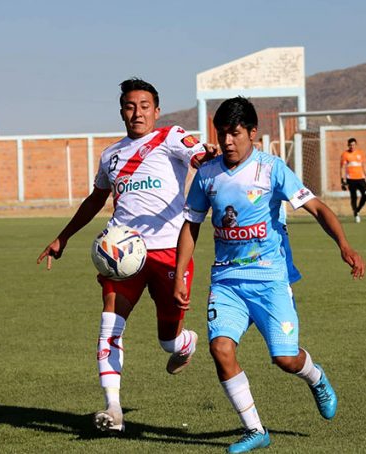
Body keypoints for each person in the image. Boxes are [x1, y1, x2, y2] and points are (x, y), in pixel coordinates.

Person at [174, 97, 365, 453]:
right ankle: (255, 430)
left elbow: (317, 207)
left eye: (234, 133)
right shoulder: (207, 174)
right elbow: (191, 226)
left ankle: (316, 377)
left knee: (285, 359)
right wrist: (179, 276)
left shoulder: (272, 169)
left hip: (270, 279)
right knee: (221, 349)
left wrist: (344, 245)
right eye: (222, 134)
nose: (228, 141)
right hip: (227, 281)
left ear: (252, 133)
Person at [37, 78, 217, 433]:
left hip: (169, 253)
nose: (138, 113)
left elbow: (199, 157)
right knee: (109, 327)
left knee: (168, 340)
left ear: (157, 110)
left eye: (145, 106)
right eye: (131, 106)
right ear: (122, 111)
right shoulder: (111, 155)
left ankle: (185, 342)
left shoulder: (171, 137)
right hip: (121, 256)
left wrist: (208, 155)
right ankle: (113, 409)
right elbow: (95, 199)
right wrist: (63, 237)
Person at [340, 138, 366, 223]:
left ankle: (357, 210)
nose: (352, 146)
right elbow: (342, 168)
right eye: (350, 145)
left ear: (356, 145)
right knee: (353, 197)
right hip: (351, 179)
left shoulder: (360, 153)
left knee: (365, 196)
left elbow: (364, 166)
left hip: (361, 178)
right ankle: (356, 214)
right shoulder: (345, 154)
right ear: (348, 145)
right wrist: (342, 180)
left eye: (353, 145)